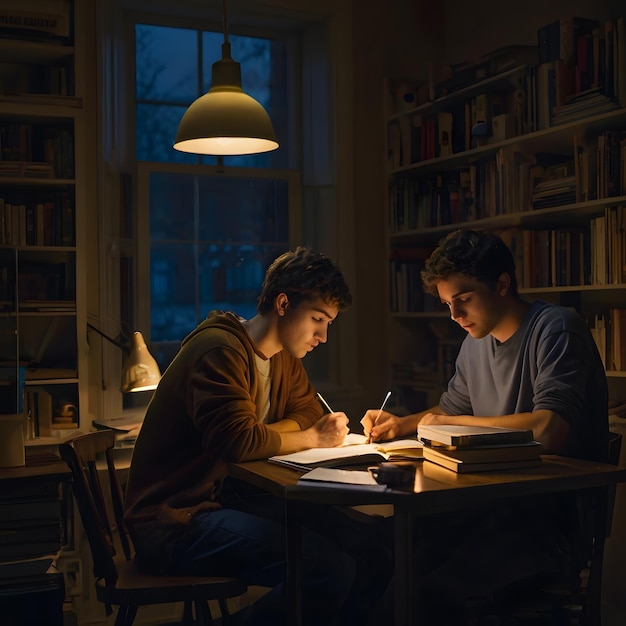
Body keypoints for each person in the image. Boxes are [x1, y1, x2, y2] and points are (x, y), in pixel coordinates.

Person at [124, 246, 391, 626]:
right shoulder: (219, 350)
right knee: (324, 568)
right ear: (283, 303)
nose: (323, 336)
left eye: (329, 323)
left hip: (229, 502)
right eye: (317, 319)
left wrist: (267, 432)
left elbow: (309, 410)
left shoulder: (282, 357)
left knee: (374, 545)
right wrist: (310, 439)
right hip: (174, 521)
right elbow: (238, 443)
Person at [362, 228, 609, 624]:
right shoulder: (475, 343)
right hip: (485, 507)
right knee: (384, 551)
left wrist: (450, 421)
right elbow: (448, 410)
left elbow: (550, 431)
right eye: (447, 304)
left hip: (545, 525)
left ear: (502, 284)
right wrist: (401, 425)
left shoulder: (556, 328)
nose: (454, 316)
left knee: (423, 590)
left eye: (463, 300)